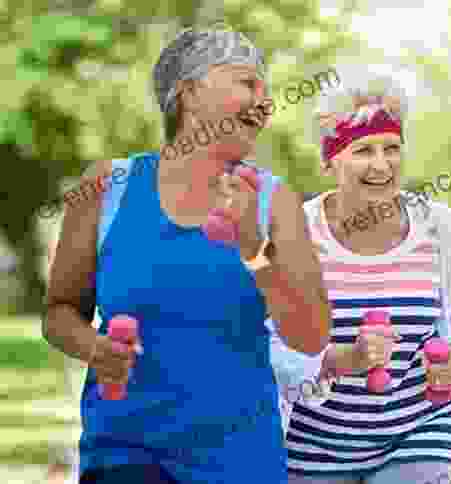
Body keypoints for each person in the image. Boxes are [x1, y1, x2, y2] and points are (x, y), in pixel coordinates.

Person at [42, 26, 331, 484]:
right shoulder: (106, 186)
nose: (264, 101)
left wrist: (255, 250)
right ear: (190, 93)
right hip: (125, 456)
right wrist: (94, 349)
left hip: (239, 461)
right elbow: (58, 312)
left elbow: (311, 335)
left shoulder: (273, 200)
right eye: (248, 83)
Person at [266, 73, 451, 484]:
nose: (381, 164)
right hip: (317, 441)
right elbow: (266, 337)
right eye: (363, 150)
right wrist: (338, 360)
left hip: (420, 431)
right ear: (330, 160)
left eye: (392, 148)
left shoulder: (443, 230)